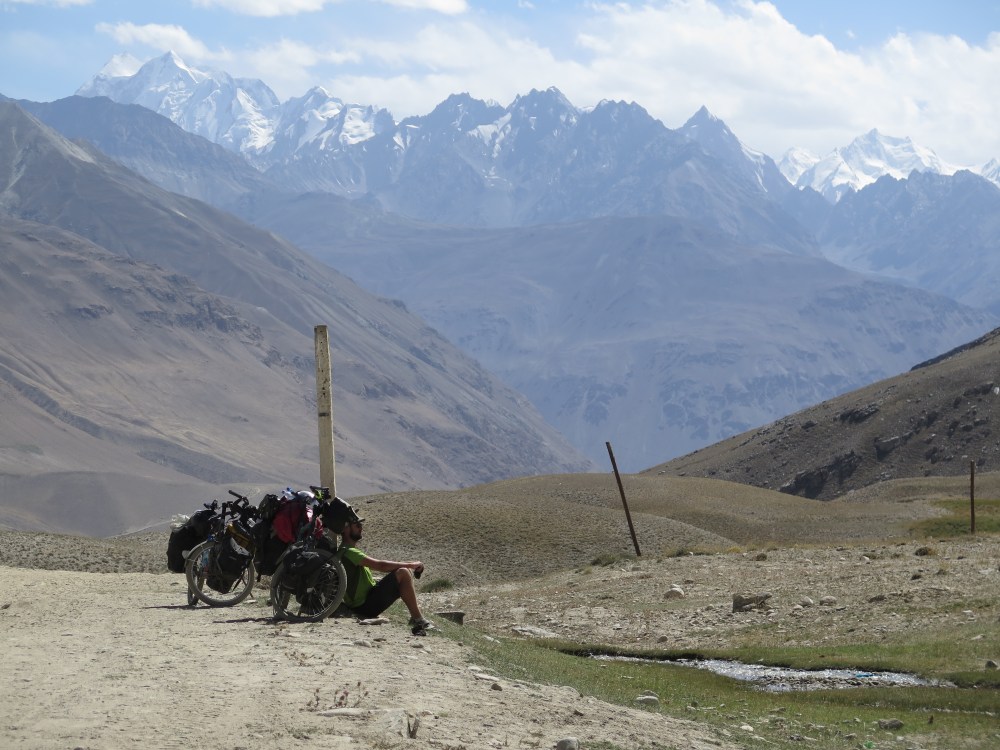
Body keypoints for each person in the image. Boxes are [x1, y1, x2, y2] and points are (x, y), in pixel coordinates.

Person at [337, 511, 435, 636]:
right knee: (403, 573)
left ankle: (416, 617)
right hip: (364, 606)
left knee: (403, 571)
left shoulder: (345, 551)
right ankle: (419, 620)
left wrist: (411, 563)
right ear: (345, 528)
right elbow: (381, 566)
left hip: (365, 601)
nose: (361, 528)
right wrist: (410, 565)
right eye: (357, 525)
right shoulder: (349, 552)